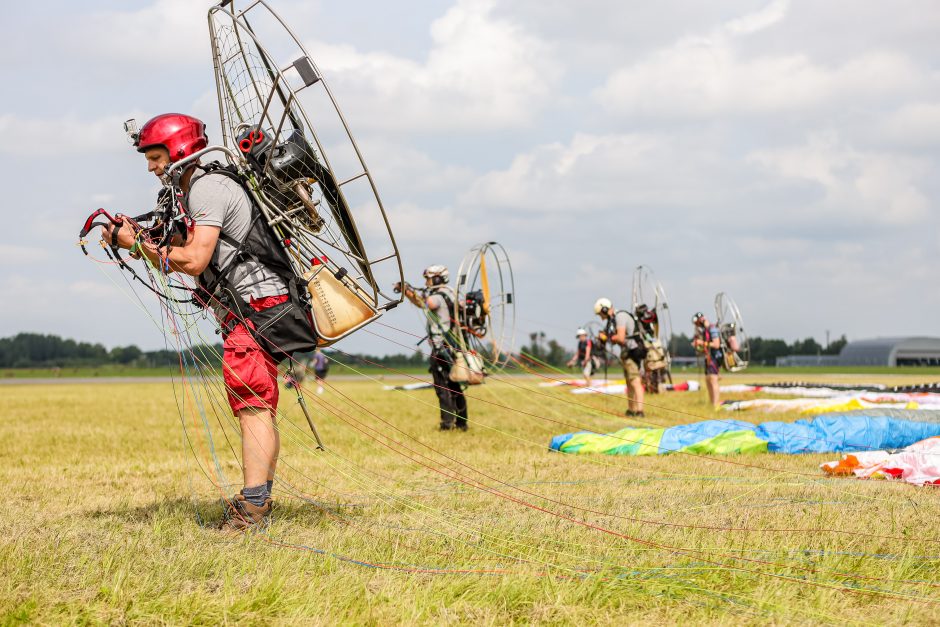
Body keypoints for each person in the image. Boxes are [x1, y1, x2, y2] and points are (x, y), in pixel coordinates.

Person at [101, 113, 314, 531]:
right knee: (258, 406)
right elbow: (186, 253)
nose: (150, 166)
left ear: (179, 148)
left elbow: (195, 260)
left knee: (251, 402)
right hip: (258, 305)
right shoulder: (201, 186)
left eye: (155, 156)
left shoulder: (208, 187)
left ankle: (253, 510)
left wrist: (138, 244)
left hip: (256, 307)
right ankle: (258, 497)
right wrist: (140, 240)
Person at [401, 266, 469, 431]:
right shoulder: (452, 293)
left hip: (442, 348)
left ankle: (447, 424)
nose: (426, 282)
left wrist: (407, 292)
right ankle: (461, 423)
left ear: (438, 278)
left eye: (429, 278)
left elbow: (426, 303)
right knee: (454, 386)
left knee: (442, 386)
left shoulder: (438, 296)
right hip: (453, 346)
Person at [594, 298, 646, 416]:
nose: (601, 317)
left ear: (605, 309)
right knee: (629, 382)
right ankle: (631, 409)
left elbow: (621, 338)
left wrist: (607, 338)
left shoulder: (620, 317)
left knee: (635, 381)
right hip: (626, 353)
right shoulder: (613, 320)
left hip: (633, 352)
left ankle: (640, 411)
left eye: (600, 314)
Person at [692, 312, 722, 408]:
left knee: (713, 380)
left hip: (714, 357)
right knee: (708, 380)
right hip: (708, 358)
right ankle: (712, 403)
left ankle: (716, 404)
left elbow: (716, 344)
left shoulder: (712, 329)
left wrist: (702, 343)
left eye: (697, 323)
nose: (697, 326)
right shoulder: (705, 331)